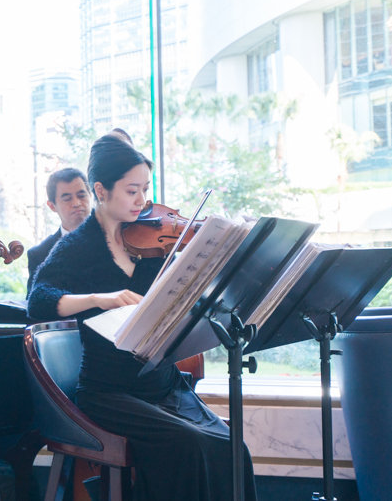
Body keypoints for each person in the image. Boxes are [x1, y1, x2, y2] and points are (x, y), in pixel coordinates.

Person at [27, 131, 257, 501]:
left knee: (234, 448)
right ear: (101, 191)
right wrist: (99, 299)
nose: (143, 200)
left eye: (145, 189)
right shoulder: (78, 246)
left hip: (163, 385)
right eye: (132, 190)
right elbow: (39, 300)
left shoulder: (154, 239)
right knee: (188, 445)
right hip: (110, 391)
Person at [26, 168, 90, 294]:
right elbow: (34, 303)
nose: (77, 203)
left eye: (82, 196)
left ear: (91, 195)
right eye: (67, 199)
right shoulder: (39, 255)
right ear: (52, 206)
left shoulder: (117, 239)